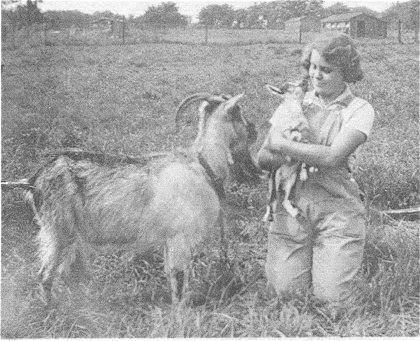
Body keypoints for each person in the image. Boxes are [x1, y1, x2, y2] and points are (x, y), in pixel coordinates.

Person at [257, 33, 375, 305]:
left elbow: (333, 158)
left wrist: (282, 144)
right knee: (285, 296)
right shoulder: (293, 104)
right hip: (291, 210)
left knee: (333, 300)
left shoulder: (359, 109)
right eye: (313, 67)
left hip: (336, 210)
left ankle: (338, 263)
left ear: (346, 72)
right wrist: (281, 149)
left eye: (326, 70)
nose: (316, 75)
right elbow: (264, 158)